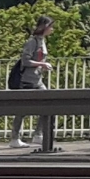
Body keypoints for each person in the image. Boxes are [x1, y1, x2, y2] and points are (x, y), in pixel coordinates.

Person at [6, 14, 53, 148]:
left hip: (37, 80)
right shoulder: (32, 41)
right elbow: (25, 60)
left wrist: (41, 66)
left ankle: (38, 134)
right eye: (51, 26)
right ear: (45, 26)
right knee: (22, 110)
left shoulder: (42, 41)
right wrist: (42, 64)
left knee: (47, 104)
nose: (52, 30)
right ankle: (15, 138)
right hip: (27, 80)